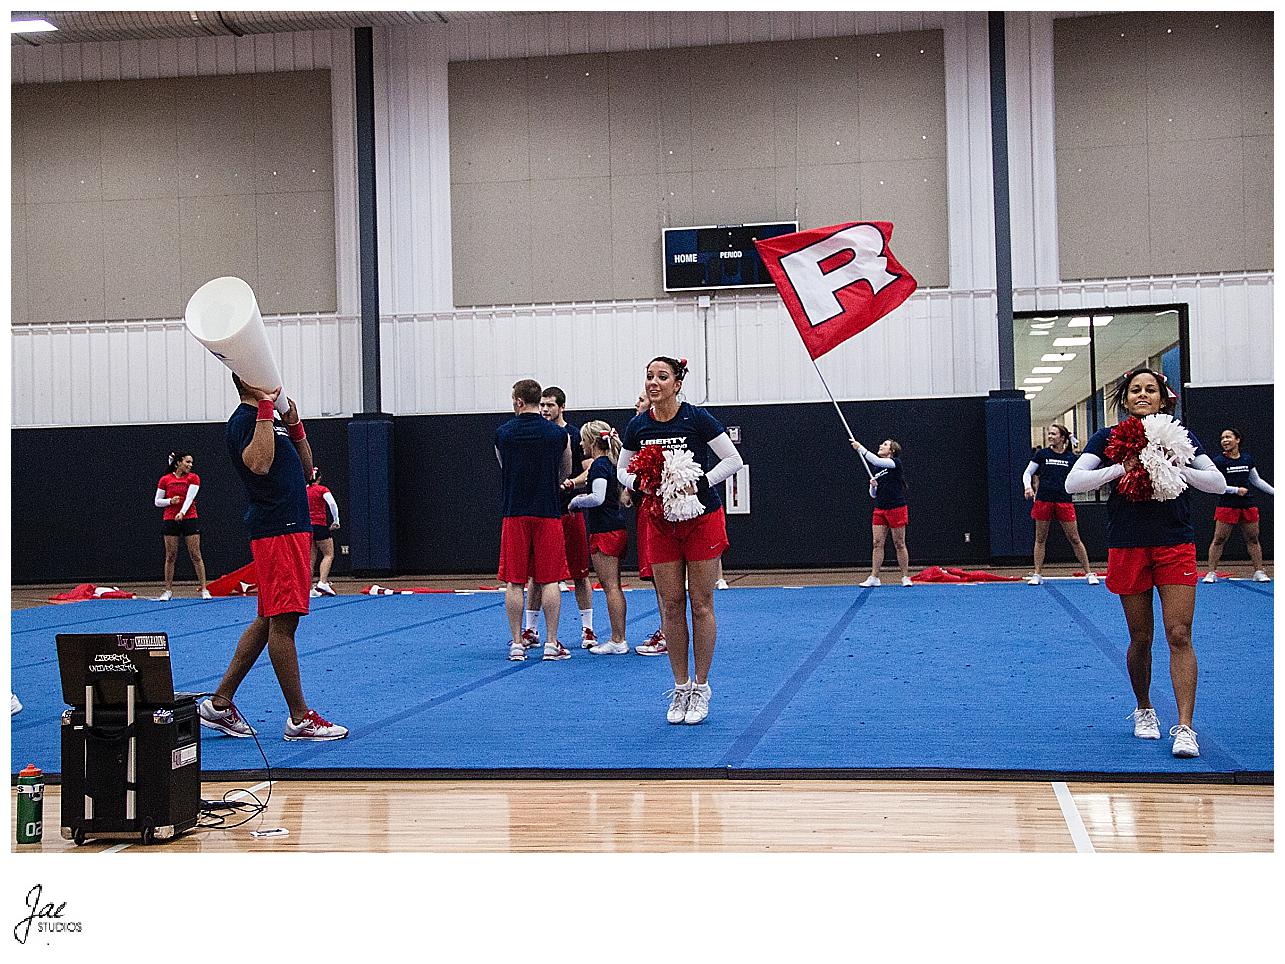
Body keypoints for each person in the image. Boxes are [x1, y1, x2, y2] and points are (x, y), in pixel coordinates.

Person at [1065, 366, 1226, 759]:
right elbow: (1073, 483)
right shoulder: (1107, 438)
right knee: (1141, 637)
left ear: (1162, 397)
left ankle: (1185, 727)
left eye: (1150, 389)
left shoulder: (1182, 435)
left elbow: (1218, 483)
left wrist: (1176, 464)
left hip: (1174, 544)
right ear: (1125, 398)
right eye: (1135, 389)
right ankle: (1144, 708)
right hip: (1129, 544)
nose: (1142, 395)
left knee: (1179, 634)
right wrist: (1125, 466)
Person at [197, 375, 348, 742]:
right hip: (277, 528)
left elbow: (307, 470)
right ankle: (299, 718)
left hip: (291, 526)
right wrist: (266, 408)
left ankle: (219, 704)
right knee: (284, 623)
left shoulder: (271, 422)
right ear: (246, 381)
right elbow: (259, 464)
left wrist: (294, 424)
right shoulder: (244, 421)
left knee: (269, 619)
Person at [619, 356, 743, 724]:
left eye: (662, 376)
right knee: (670, 606)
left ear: (677, 383)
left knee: (701, 603)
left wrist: (698, 481)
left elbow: (732, 459)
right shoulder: (638, 425)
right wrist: (645, 483)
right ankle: (680, 687)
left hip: (701, 519)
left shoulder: (696, 418)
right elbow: (624, 470)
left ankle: (702, 687)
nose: (653, 382)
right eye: (648, 376)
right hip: (660, 522)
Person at [496, 378, 573, 661]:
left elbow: (503, 464)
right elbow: (565, 470)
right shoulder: (556, 434)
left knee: (515, 581)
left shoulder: (503, 433)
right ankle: (551, 643)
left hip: (515, 511)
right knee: (550, 579)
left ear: (517, 401)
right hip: (547, 511)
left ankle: (517, 642)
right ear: (537, 400)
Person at [519, 386, 596, 651]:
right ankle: (531, 629)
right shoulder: (537, 434)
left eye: (550, 405)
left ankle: (588, 628)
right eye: (541, 405)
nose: (544, 410)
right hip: (542, 513)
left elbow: (590, 471)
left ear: (561, 407)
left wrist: (570, 484)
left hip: (569, 511)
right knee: (536, 575)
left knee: (580, 572)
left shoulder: (573, 435)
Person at [567, 421, 629, 654]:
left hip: (606, 530)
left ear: (592, 441)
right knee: (613, 586)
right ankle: (618, 637)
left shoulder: (600, 466)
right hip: (611, 528)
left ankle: (618, 638)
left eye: (583, 439)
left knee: (610, 586)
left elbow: (598, 497)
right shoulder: (608, 464)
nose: (580, 443)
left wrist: (576, 501)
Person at [1021, 425, 1098, 585]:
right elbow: (1028, 472)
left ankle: (1089, 572)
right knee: (1040, 538)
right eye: (1049, 433)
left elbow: (1083, 475)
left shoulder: (1071, 458)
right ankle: (1037, 574)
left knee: (1075, 538)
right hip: (1044, 500)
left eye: (1053, 434)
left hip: (1064, 500)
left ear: (1062, 438)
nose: (1050, 436)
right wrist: (1028, 487)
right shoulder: (1042, 455)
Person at [1204, 428, 1274, 583]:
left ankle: (1259, 571)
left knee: (1253, 539)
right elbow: (1215, 485)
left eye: (1228, 437)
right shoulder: (1219, 462)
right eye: (1222, 438)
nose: (1225, 441)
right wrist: (1235, 490)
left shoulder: (1247, 459)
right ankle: (1211, 572)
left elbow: (1256, 480)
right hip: (1227, 505)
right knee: (1219, 539)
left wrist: (1275, 492)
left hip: (1247, 505)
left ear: (1237, 440)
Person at [630, 389, 667, 656]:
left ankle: (669, 630)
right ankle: (667, 627)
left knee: (665, 578)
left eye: (641, 399)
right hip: (647, 506)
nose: (637, 403)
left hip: (665, 509)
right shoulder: (638, 432)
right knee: (657, 578)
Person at [851, 438, 911, 586]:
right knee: (877, 543)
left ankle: (905, 577)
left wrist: (860, 448)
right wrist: (873, 486)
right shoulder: (877, 470)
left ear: (892, 451)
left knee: (899, 543)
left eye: (885, 445)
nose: (880, 445)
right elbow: (873, 494)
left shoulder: (895, 463)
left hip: (896, 507)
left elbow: (876, 461)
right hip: (880, 509)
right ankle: (874, 577)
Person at [154, 451, 211, 600]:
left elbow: (190, 498)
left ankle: (204, 588)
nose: (190, 465)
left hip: (189, 518)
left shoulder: (193, 478)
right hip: (170, 519)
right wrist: (170, 502)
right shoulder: (165, 480)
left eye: (191, 462)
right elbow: (157, 501)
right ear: (178, 463)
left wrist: (182, 512)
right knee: (171, 555)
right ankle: (167, 590)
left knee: (195, 554)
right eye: (187, 462)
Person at [306, 466, 342, 596]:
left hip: (308, 527)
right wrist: (336, 520)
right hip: (320, 525)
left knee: (310, 559)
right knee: (328, 554)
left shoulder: (304, 490)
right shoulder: (322, 490)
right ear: (319, 478)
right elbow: (332, 504)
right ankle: (322, 582)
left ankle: (309, 589)